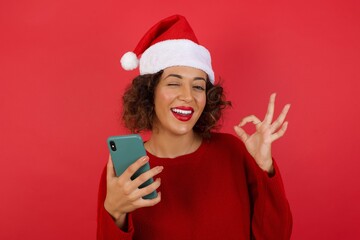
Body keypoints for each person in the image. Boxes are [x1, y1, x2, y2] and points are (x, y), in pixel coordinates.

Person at [97, 15, 292, 240]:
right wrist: (114, 212)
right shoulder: (125, 172)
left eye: (198, 87)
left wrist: (264, 169)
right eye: (173, 83)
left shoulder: (233, 151)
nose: (188, 96)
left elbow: (277, 236)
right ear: (148, 93)